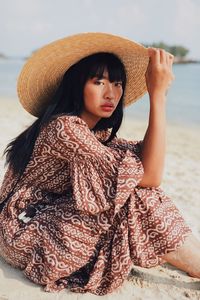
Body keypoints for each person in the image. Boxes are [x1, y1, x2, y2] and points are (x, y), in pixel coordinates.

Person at [0, 32, 199, 295]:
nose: (111, 93)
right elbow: (151, 177)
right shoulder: (64, 129)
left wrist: (158, 92)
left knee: (130, 185)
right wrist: (158, 96)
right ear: (76, 85)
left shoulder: (97, 133)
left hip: (52, 215)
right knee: (135, 194)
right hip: (24, 228)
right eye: (98, 82)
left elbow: (145, 161)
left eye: (117, 84)